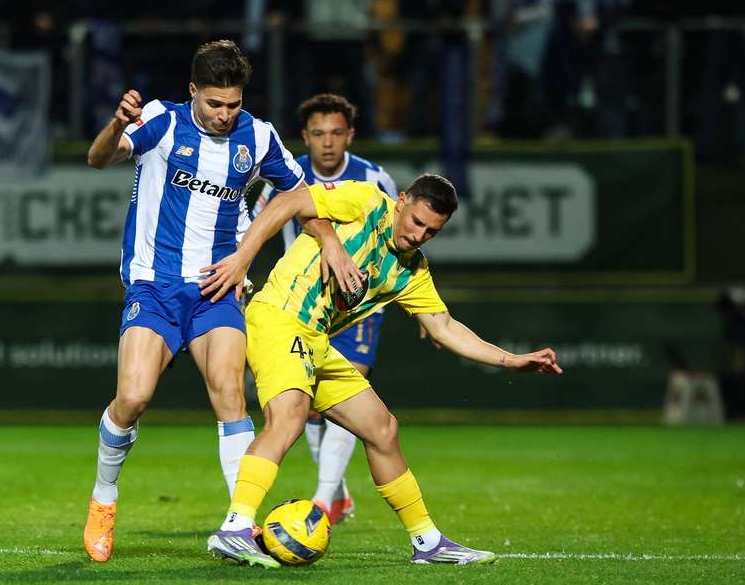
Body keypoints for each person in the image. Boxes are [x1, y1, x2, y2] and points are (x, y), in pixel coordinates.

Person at [200, 174, 563, 568]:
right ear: (401, 201)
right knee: (287, 418)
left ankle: (427, 542)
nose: (420, 234)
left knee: (383, 429)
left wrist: (511, 360)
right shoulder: (366, 201)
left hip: (316, 341)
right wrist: (243, 259)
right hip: (279, 319)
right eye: (417, 222)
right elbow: (288, 202)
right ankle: (235, 528)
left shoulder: (411, 270)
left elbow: (444, 327)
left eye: (432, 231)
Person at [81, 39, 314, 563]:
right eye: (215, 104)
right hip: (155, 286)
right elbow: (98, 160)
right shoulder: (162, 121)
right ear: (193, 93)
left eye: (233, 104)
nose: (225, 114)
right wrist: (117, 124)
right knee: (134, 398)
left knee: (231, 394)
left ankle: (240, 524)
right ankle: (104, 496)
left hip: (218, 288)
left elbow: (301, 197)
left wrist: (335, 249)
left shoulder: (257, 136)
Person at [252, 93, 397, 524]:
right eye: (318, 134)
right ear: (305, 137)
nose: (328, 143)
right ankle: (336, 491)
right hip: (303, 305)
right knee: (312, 405)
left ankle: (323, 500)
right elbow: (255, 222)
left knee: (352, 388)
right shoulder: (286, 176)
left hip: (357, 304)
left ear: (349, 135)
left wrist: (415, 304)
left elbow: (402, 236)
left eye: (336, 133)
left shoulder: (375, 178)